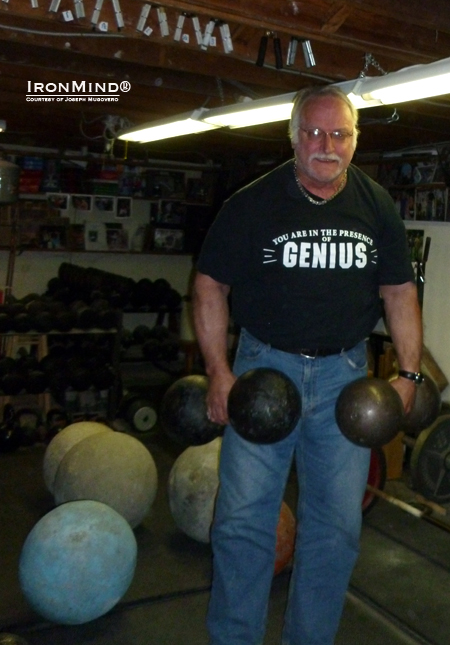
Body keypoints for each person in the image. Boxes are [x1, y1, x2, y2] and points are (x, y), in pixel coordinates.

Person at [193, 85, 423, 645]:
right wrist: (220, 372)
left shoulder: (376, 206)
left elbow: (399, 293)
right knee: (245, 522)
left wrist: (410, 374)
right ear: (293, 136)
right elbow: (209, 285)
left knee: (336, 529)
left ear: (355, 139)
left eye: (339, 134)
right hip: (263, 371)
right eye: (314, 133)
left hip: (345, 377)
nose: (327, 145)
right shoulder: (250, 205)